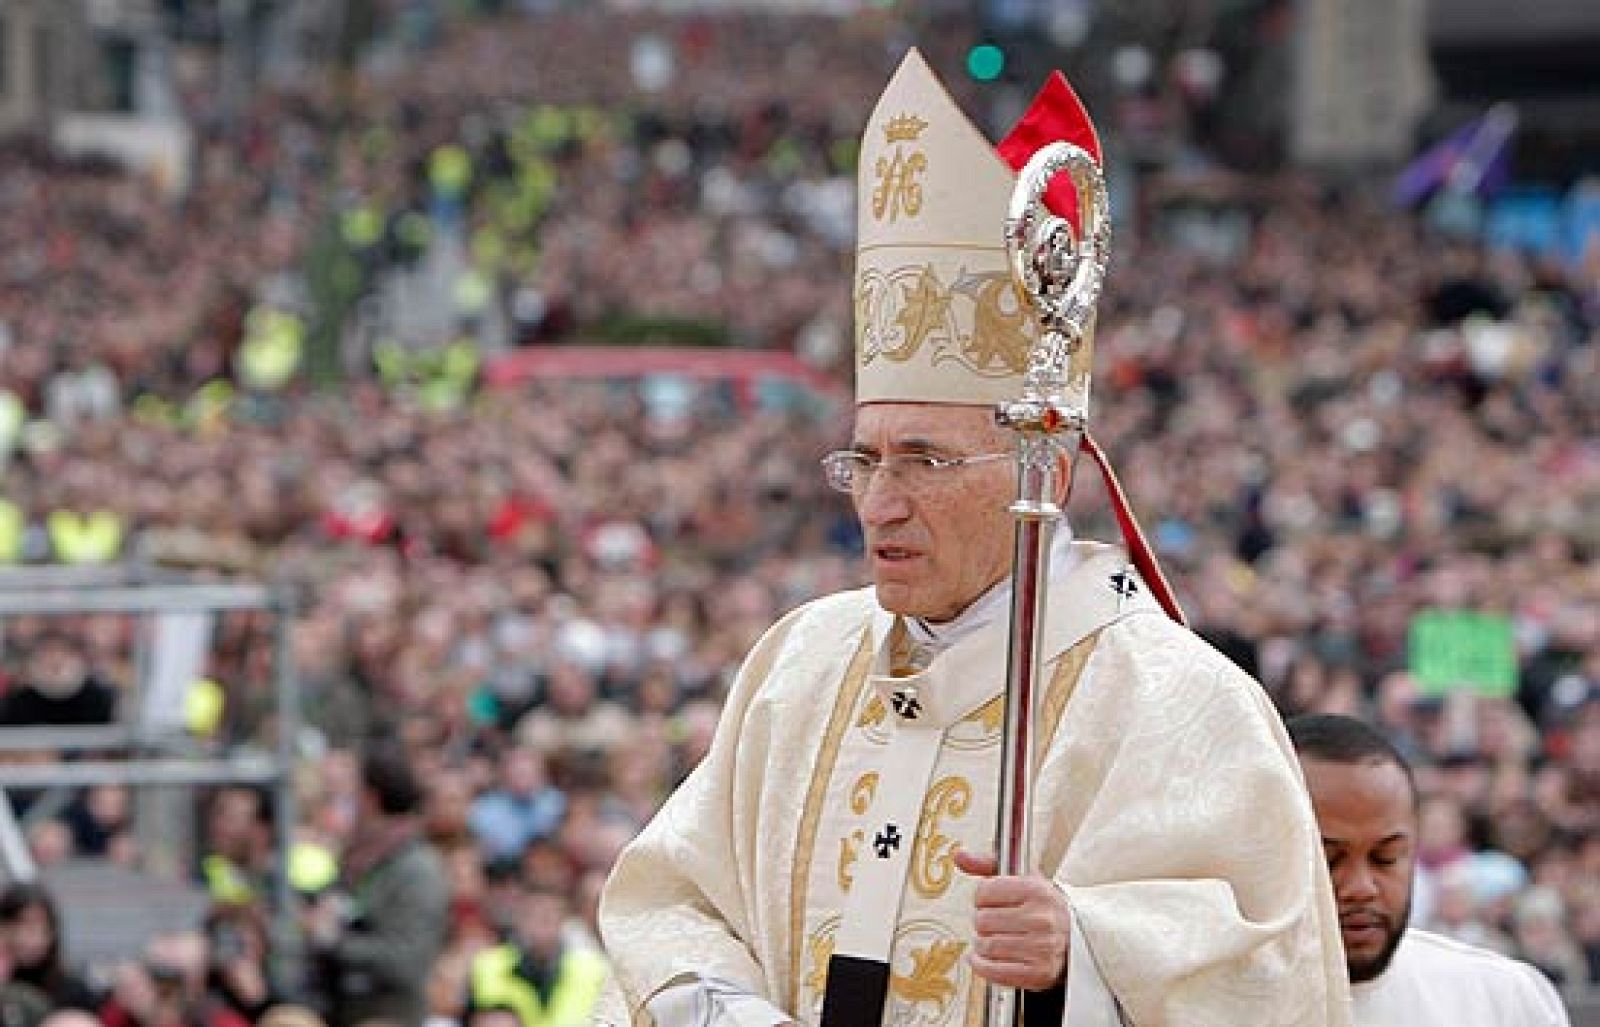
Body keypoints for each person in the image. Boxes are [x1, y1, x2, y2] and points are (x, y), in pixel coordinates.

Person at [598, 49, 1349, 1027]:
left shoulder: (1181, 705)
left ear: (1049, 470)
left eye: (924, 459)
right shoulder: (801, 663)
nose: (879, 503)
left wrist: (1078, 957)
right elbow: (672, 902)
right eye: (864, 459)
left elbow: (1260, 982)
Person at [1287, 713, 1571, 1026]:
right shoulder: (1227, 1002)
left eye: (1386, 857)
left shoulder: (1501, 1001)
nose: (1361, 887)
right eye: (1329, 861)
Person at [304, 740, 449, 1027]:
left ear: (370, 799)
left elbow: (408, 959)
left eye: (351, 795)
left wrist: (336, 942)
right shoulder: (358, 860)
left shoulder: (416, 869)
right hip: (341, 1009)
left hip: (389, 1015)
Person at [465, 880, 609, 1027]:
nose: (541, 925)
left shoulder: (594, 969)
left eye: (549, 916)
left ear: (564, 921)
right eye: (532, 915)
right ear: (519, 920)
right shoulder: (487, 966)